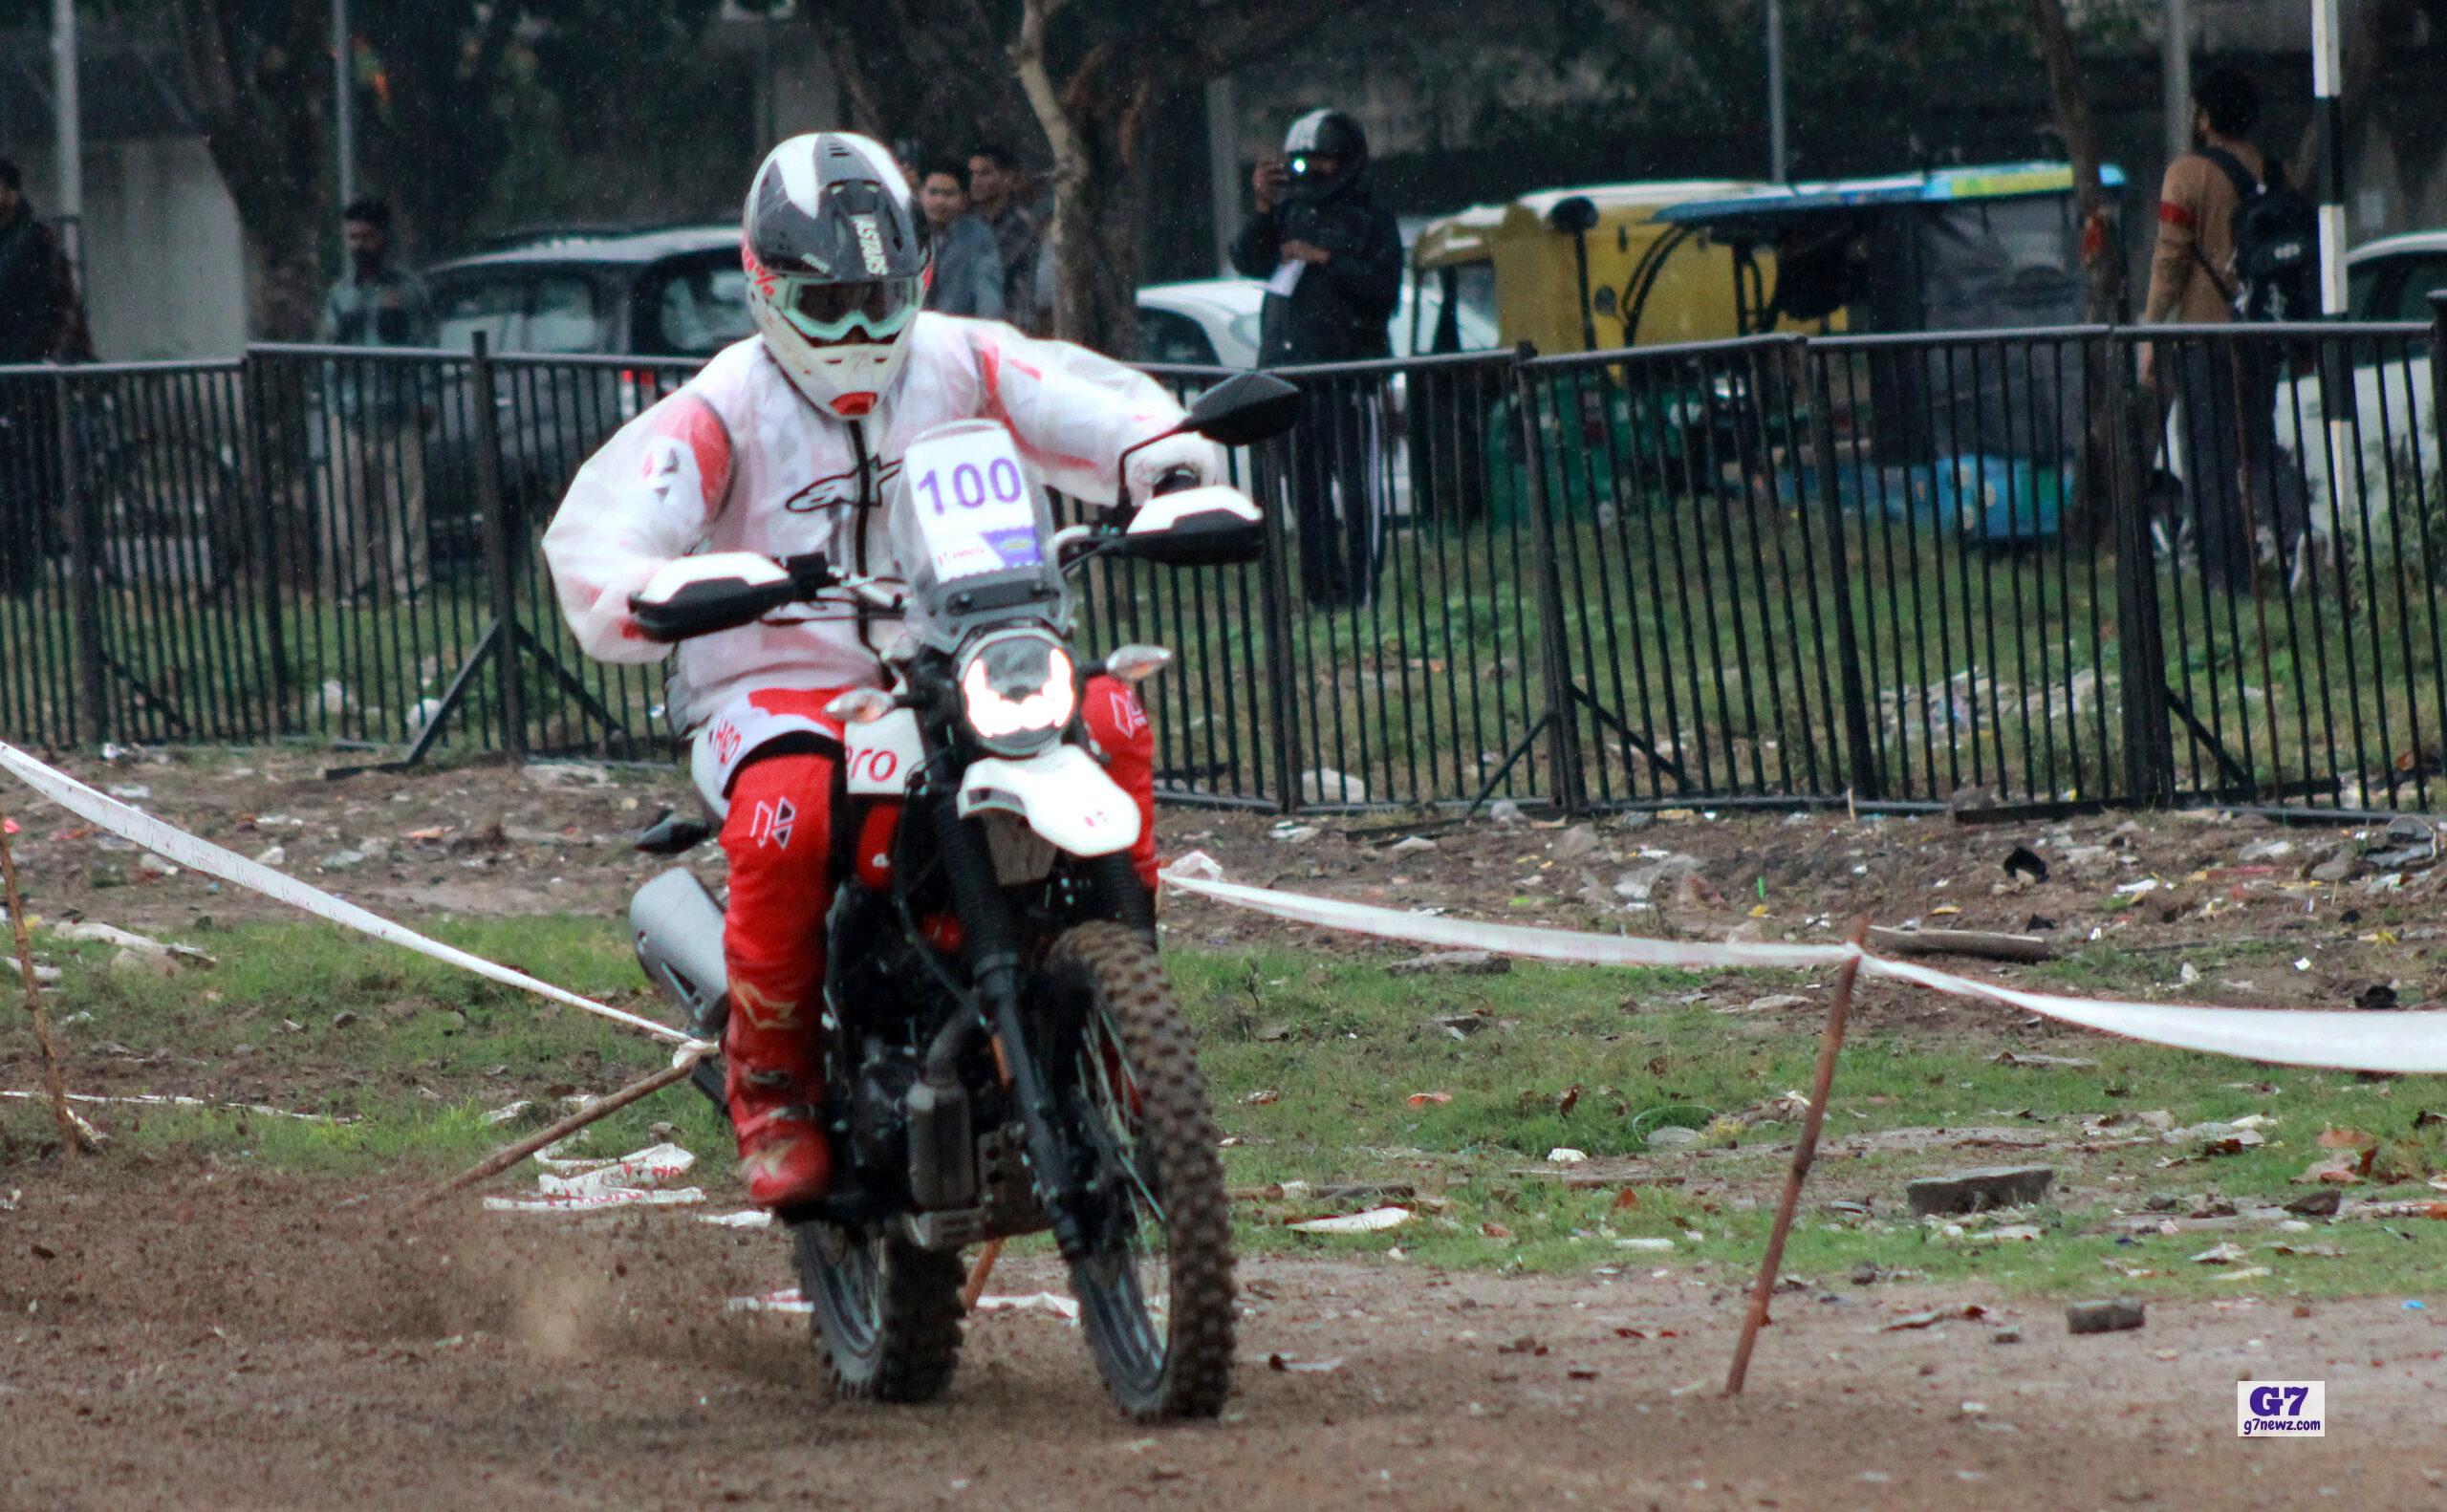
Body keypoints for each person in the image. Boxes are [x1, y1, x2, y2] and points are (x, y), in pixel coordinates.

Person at [541, 133, 1222, 1208]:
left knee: (1111, 718)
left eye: (880, 296)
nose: (860, 328)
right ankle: (771, 1088)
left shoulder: (962, 357)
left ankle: (1112, 1011)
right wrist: (645, 586)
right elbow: (611, 524)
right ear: (766, 287)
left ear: (919, 281)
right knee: (788, 816)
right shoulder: (727, 404)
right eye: (829, 303)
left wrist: (1164, 459)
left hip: (962, 650)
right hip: (772, 685)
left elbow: (1085, 405)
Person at [1228, 108, 1402, 607]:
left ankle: (1363, 594)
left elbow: (1382, 292)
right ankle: (1322, 594)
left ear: (1345, 162)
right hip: (1290, 376)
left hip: (1347, 377)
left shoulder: (1372, 220)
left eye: (1321, 161)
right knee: (1304, 496)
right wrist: (1263, 206)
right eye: (1300, 162)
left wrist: (1326, 258)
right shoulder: (1289, 212)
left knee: (1357, 492)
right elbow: (1247, 259)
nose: (1309, 172)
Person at [2139, 66, 2288, 592]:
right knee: (2258, 448)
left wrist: (2152, 330)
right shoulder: (2271, 170)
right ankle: (2291, 552)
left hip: (2204, 339)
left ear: (2205, 117)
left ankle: (2226, 576)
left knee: (2206, 459)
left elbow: (2170, 260)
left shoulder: (2187, 175)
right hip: (2262, 338)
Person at [313, 199, 437, 599]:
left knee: (408, 507)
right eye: (351, 237)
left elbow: (427, 346)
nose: (358, 245)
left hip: (398, 410)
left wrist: (428, 397)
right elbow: (326, 356)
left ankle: (411, 585)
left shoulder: (407, 291)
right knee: (347, 507)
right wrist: (328, 408)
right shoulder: (339, 295)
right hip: (348, 413)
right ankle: (358, 585)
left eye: (366, 236)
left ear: (383, 238)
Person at [0, 156, 92, 594]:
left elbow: (44, 313)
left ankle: (22, 574)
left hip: (28, 378)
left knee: (25, 480)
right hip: (15, 375)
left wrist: (27, 362)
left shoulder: (33, 240)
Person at [967, 143, 1044, 333]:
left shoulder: (1022, 223)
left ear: (1007, 177)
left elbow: (991, 266)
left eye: (984, 173)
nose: (976, 181)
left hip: (1014, 322)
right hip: (973, 322)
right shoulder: (969, 220)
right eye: (973, 174)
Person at [914, 159, 1004, 320]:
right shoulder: (906, 231)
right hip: (912, 329)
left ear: (964, 199)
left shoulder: (978, 236)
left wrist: (987, 328)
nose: (940, 201)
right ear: (920, 194)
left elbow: (987, 289)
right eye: (933, 192)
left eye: (949, 194)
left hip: (959, 330)